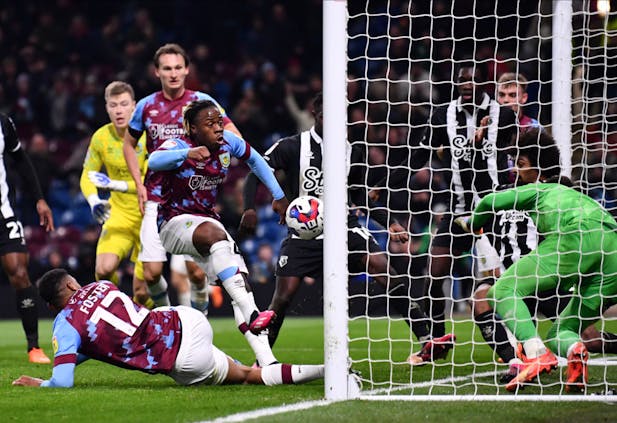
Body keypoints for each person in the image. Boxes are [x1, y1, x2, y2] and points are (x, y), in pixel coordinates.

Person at [240, 93, 455, 365]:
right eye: (325, 115)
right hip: (305, 234)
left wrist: (389, 223)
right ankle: (261, 362)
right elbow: (255, 170)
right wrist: (253, 206)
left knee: (383, 267)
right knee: (282, 298)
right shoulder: (292, 146)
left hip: (345, 228)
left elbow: (360, 196)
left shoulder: (352, 151)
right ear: (314, 115)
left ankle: (427, 341)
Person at [459, 129, 617, 392]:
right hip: (612, 251)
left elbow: (488, 202)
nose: (517, 172)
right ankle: (574, 353)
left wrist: (473, 224)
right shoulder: (577, 195)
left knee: (501, 290)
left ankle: (535, 353)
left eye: (520, 165)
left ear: (539, 170)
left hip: (577, 237)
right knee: (562, 333)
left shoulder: (538, 190)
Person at [370, 61, 517, 340]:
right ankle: (437, 339)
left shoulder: (504, 116)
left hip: (496, 208)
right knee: (434, 275)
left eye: (472, 80)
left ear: (484, 82)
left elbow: (518, 155)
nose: (466, 84)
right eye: (462, 80)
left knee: (509, 275)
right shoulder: (443, 115)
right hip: (459, 209)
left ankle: (519, 339)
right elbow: (417, 157)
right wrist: (382, 186)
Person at [12, 269, 324, 388]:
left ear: (52, 306)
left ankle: (323, 370)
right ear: (71, 283)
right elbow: (101, 334)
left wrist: (43, 383)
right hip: (185, 319)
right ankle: (326, 369)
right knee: (248, 373)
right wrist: (77, 352)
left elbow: (63, 381)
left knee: (245, 377)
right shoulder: (102, 284)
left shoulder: (65, 323)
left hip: (181, 357)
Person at [148, 99, 286, 367]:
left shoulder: (228, 144)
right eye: (209, 124)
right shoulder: (179, 145)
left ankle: (267, 362)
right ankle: (253, 313)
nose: (218, 128)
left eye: (219, 122)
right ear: (193, 129)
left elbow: (255, 160)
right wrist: (186, 155)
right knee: (215, 235)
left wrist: (278, 195)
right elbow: (154, 160)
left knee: (241, 286)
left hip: (208, 223)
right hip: (173, 224)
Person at [123, 43, 239, 308]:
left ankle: (199, 324)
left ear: (187, 69)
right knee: (151, 274)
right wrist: (138, 183)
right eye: (167, 68)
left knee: (197, 274)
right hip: (156, 197)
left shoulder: (202, 103)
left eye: (178, 67)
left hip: (192, 199)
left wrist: (224, 161)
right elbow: (129, 144)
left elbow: (232, 132)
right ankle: (167, 319)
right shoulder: (146, 106)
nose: (173, 73)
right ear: (157, 72)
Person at [79, 81, 152, 308]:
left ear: (134, 106)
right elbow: (87, 174)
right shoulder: (101, 137)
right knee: (103, 271)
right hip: (119, 214)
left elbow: (148, 185)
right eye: (113, 105)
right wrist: (94, 201)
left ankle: (155, 318)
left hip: (147, 216)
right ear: (107, 108)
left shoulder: (148, 136)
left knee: (141, 292)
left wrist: (113, 184)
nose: (119, 110)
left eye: (123, 104)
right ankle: (120, 302)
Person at [0, 112, 55, 363]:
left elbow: (20, 160)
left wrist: (39, 199)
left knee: (20, 273)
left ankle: (34, 347)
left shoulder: (3, 122)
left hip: (3, 213)